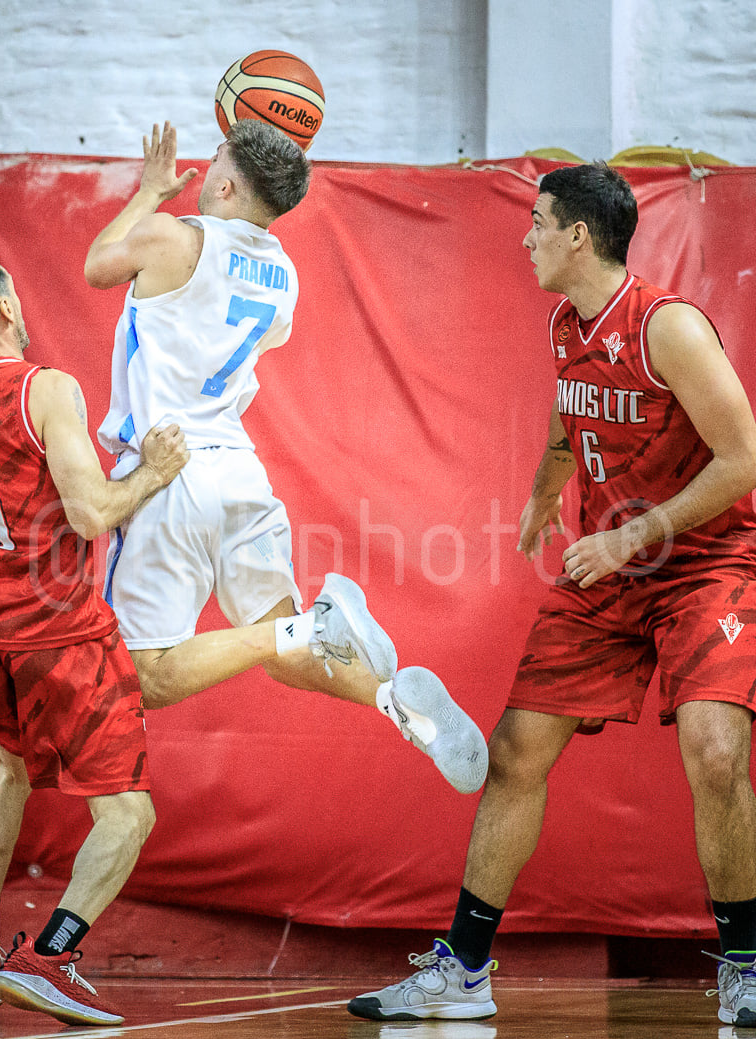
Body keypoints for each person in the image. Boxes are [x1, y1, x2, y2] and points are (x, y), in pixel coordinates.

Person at [348, 163, 756, 1029]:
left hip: (703, 565)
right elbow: (568, 407)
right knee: (516, 751)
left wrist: (631, 533)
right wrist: (547, 486)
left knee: (715, 752)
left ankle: (743, 968)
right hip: (608, 572)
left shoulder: (671, 329)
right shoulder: (566, 323)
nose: (528, 238)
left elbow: (746, 463)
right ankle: (463, 973)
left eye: (538, 223)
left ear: (578, 236)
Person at [82, 120, 487, 794]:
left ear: (227, 183)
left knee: (144, 675)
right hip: (239, 472)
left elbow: (98, 266)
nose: (203, 166)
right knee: (280, 642)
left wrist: (149, 191)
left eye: (214, 157)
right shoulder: (284, 274)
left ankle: (315, 625)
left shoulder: (168, 235)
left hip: (166, 467)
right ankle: (394, 704)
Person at [0, 220, 190, 1026]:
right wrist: (155, 471)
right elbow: (91, 511)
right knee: (130, 813)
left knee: (6, 771)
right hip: (59, 635)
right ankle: (52, 955)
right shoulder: (47, 388)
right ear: (6, 306)